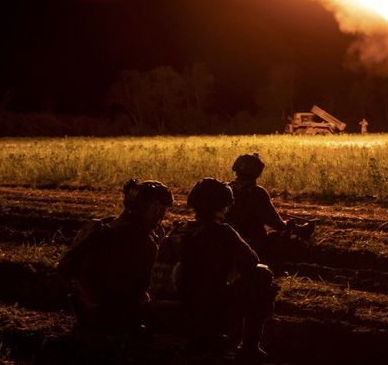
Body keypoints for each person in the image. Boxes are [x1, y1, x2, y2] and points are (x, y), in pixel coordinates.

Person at [168, 178, 278, 360]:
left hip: (185, 299)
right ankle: (249, 347)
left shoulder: (183, 230)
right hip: (213, 304)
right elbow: (251, 260)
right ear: (223, 206)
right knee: (263, 276)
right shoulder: (224, 232)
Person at [58, 179, 173, 335]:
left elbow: (65, 267)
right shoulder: (142, 242)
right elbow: (146, 287)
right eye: (161, 209)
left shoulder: (99, 227)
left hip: (84, 312)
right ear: (152, 207)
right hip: (116, 317)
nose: (162, 215)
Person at [226, 153, 314, 260]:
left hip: (227, 241)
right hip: (252, 245)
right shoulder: (258, 193)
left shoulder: (225, 189)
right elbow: (277, 224)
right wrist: (293, 227)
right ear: (257, 173)